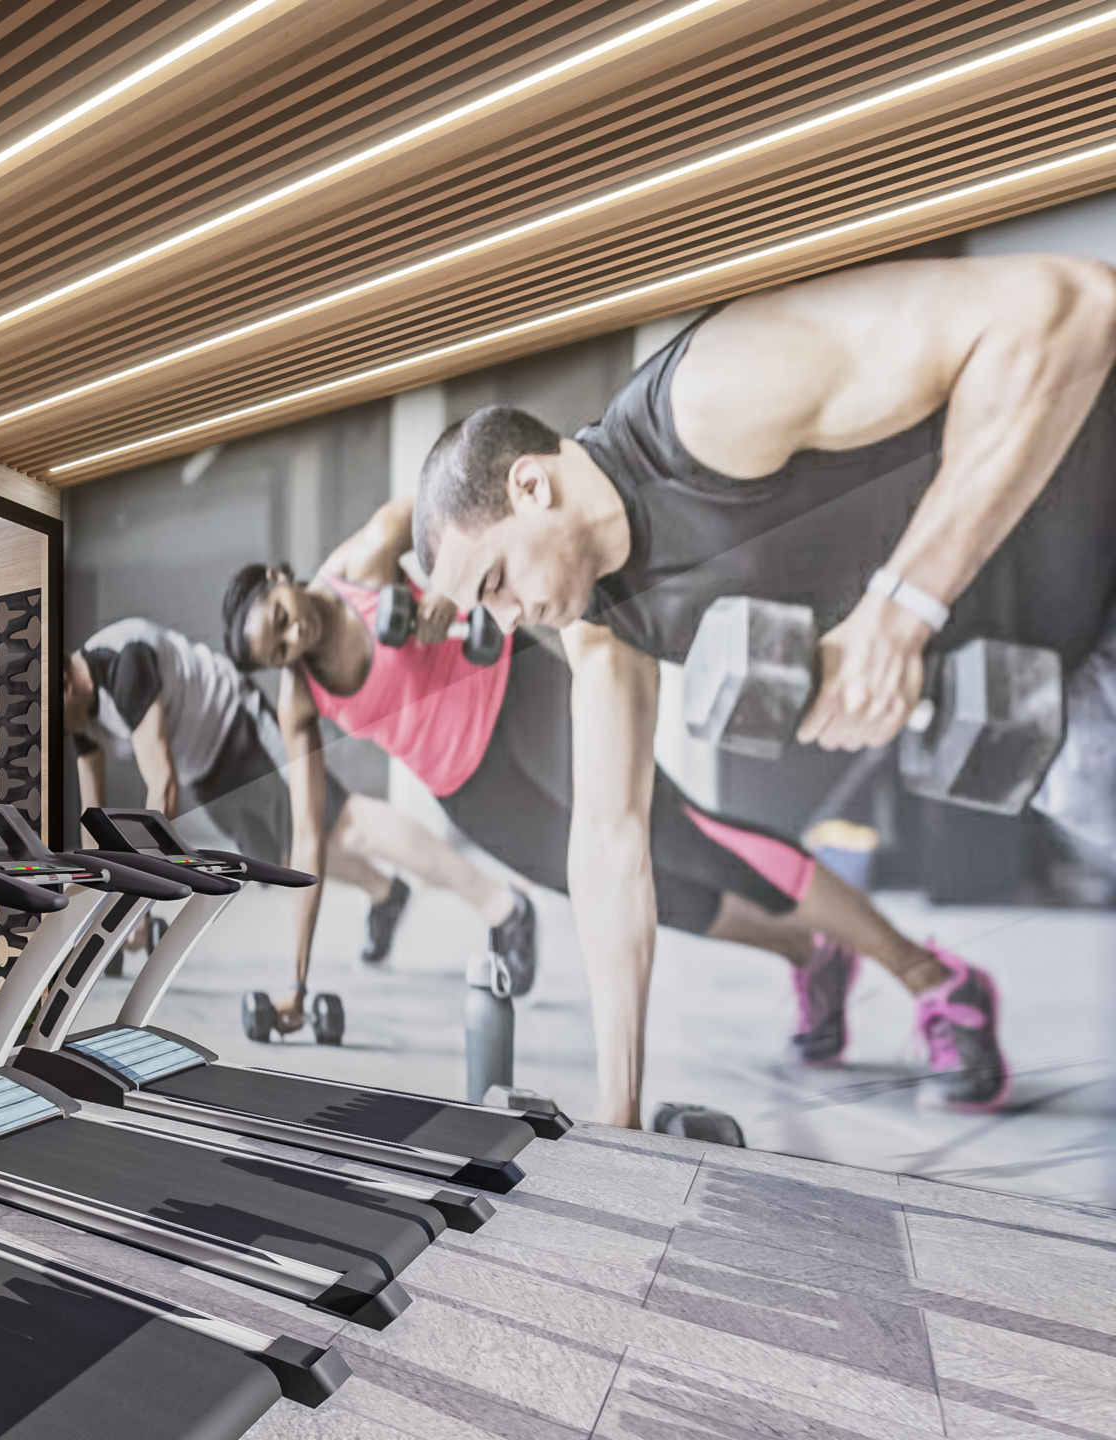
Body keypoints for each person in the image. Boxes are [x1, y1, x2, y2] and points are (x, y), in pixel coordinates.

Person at [408, 256, 1116, 1121]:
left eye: (495, 584)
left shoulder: (710, 400)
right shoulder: (602, 624)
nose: (509, 621)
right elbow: (609, 847)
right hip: (1057, 678)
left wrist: (903, 606)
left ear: (530, 484)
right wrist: (617, 1118)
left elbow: (1073, 305)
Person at [228, 499, 973, 1108]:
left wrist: (448, 592)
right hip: (477, 792)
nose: (294, 639)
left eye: (281, 619)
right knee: (653, 899)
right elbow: (306, 842)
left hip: (521, 698)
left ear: (278, 578)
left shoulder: (362, 562)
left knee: (683, 837)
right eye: (279, 652)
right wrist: (294, 983)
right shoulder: (303, 700)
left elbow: (442, 507)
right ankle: (809, 953)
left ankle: (933, 979)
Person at [67, 616, 531, 1031]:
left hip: (240, 729)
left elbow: (162, 790)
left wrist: (132, 905)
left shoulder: (122, 666)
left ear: (66, 683)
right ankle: (386, 893)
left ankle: (502, 905)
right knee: (286, 859)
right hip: (208, 771)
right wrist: (93, 913)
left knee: (343, 823)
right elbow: (95, 818)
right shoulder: (75, 711)